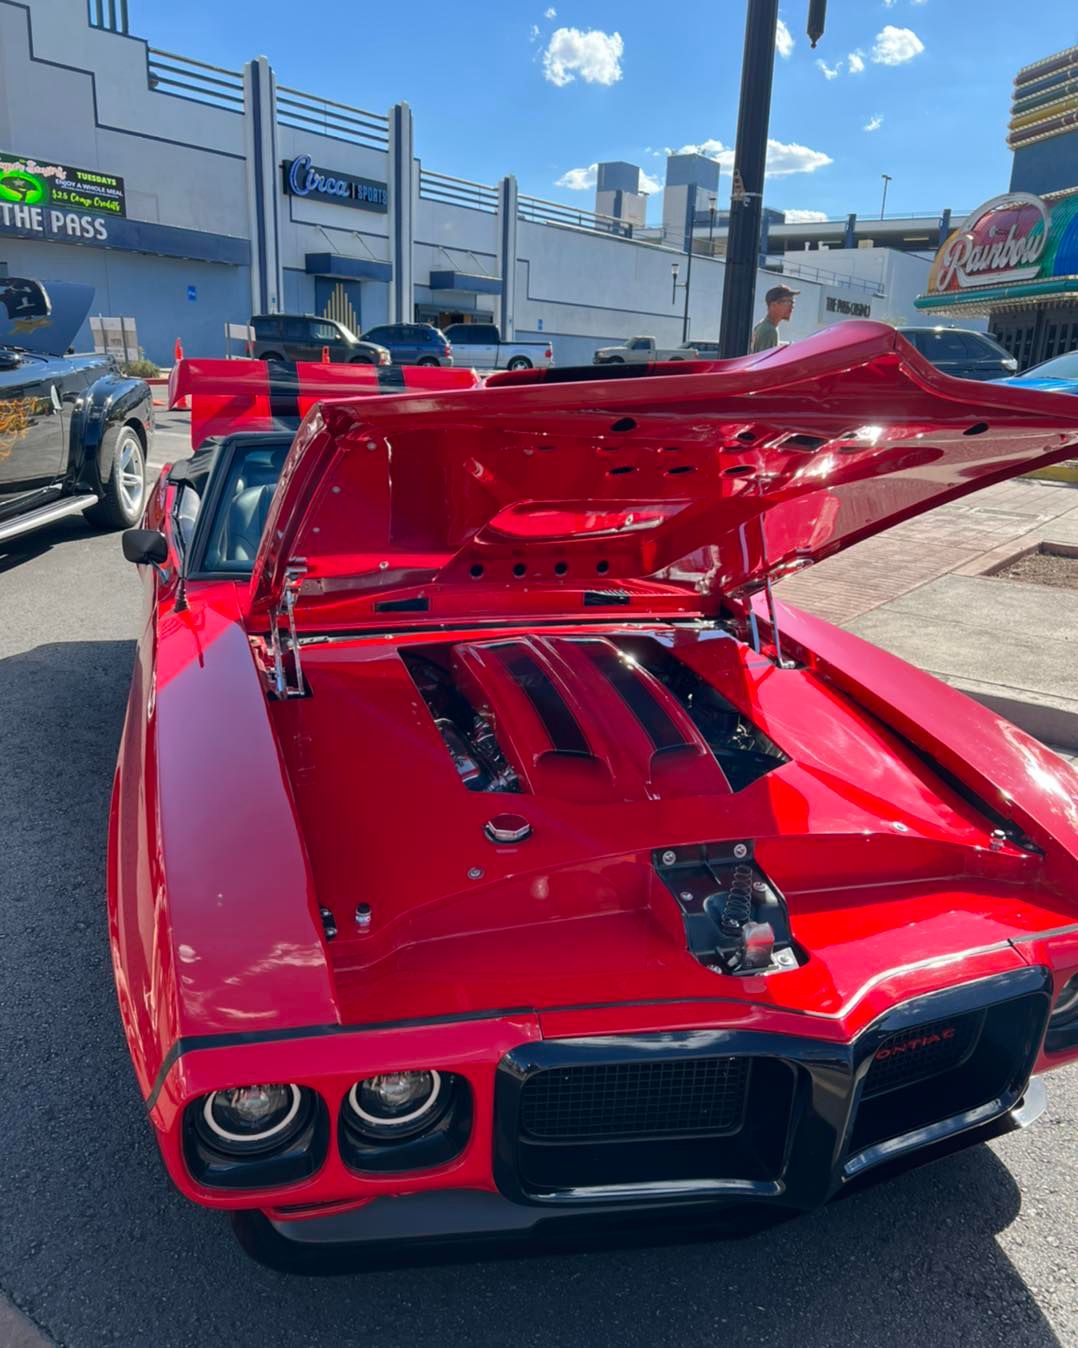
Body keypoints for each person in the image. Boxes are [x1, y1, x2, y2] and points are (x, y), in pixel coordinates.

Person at [751, 285, 798, 353]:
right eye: (787, 302)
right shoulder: (770, 331)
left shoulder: (763, 325)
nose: (792, 306)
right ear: (773, 305)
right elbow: (767, 362)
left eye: (792, 302)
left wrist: (788, 345)